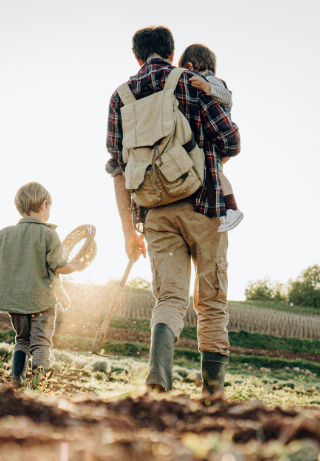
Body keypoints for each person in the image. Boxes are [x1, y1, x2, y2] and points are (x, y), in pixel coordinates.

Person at [106, 26, 240, 398]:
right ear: (172, 51)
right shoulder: (190, 81)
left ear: (137, 57)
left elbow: (117, 168)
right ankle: (212, 393)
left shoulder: (120, 97)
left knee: (169, 298)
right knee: (211, 298)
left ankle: (157, 380)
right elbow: (231, 140)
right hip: (205, 203)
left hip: (154, 213)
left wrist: (128, 231)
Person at [0, 182, 85, 387]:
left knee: (21, 340)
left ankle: (17, 379)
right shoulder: (49, 234)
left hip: (15, 302)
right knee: (41, 342)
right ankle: (39, 384)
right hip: (42, 301)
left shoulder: (6, 233)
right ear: (44, 204)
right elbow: (58, 266)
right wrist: (74, 265)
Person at [178, 43, 242, 232]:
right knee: (216, 172)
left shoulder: (213, 81)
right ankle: (231, 208)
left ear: (189, 66)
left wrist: (207, 87)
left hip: (217, 139)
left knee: (218, 174)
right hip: (212, 139)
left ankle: (233, 209)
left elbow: (227, 97)